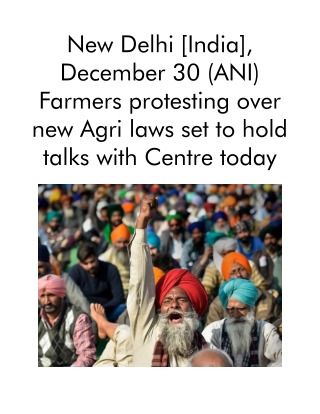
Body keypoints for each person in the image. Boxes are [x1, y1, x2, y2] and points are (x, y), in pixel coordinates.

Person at [127, 195, 209, 367]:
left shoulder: (204, 349)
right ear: (159, 308)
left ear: (194, 308)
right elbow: (139, 282)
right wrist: (142, 222)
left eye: (181, 300)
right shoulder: (147, 330)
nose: (174, 305)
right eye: (167, 300)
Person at [202, 278, 282, 367]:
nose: (236, 315)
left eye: (241, 308)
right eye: (231, 309)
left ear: (251, 307)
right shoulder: (213, 330)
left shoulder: (265, 330)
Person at [205, 252, 281, 326]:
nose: (238, 275)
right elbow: (210, 334)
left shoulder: (268, 298)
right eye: (233, 272)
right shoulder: (218, 305)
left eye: (241, 269)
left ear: (249, 272)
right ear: (226, 278)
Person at [38, 274, 96, 367]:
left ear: (62, 295)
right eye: (42, 296)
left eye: (51, 295)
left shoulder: (78, 318)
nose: (47, 301)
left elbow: (87, 355)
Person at [68, 242, 126, 322]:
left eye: (92, 261)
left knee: (123, 309)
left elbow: (119, 298)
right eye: (86, 263)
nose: (90, 266)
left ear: (97, 256)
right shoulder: (75, 271)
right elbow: (69, 295)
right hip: (87, 312)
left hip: (109, 310)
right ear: (80, 263)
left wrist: (101, 310)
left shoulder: (110, 269)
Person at [99, 223, 131, 299]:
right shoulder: (104, 258)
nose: (122, 245)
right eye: (119, 242)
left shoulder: (135, 256)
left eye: (125, 242)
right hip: (113, 294)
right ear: (113, 242)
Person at [252, 225, 282, 290]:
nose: (269, 241)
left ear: (276, 238)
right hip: (267, 290)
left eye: (272, 238)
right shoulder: (257, 255)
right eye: (266, 239)